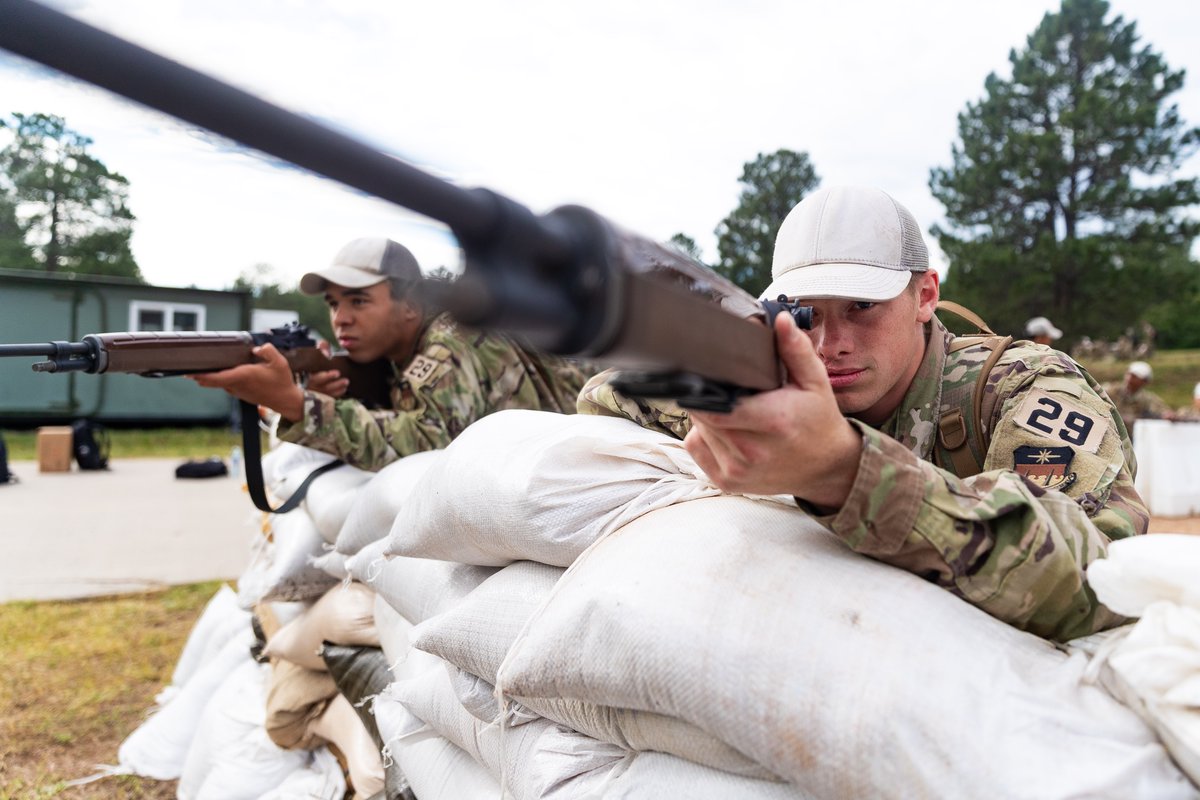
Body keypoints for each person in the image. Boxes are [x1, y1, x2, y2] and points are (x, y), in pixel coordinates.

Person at [579, 185, 1145, 642]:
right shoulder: (774, 380)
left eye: (861, 308)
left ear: (924, 296)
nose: (830, 345)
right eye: (806, 314)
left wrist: (844, 472)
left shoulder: (1019, 391)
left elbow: (1097, 579)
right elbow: (611, 393)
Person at [192, 237, 591, 471]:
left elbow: (430, 445)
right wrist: (332, 394)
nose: (340, 319)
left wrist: (299, 405)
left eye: (359, 301)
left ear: (411, 307)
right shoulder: (393, 352)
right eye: (333, 304)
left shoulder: (449, 342)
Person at [1101, 361, 1175, 435]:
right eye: (1129, 374)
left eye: (1135, 376)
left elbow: (1164, 411)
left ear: (1145, 381)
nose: (1130, 378)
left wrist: (1167, 415)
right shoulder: (1110, 390)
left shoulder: (1147, 399)